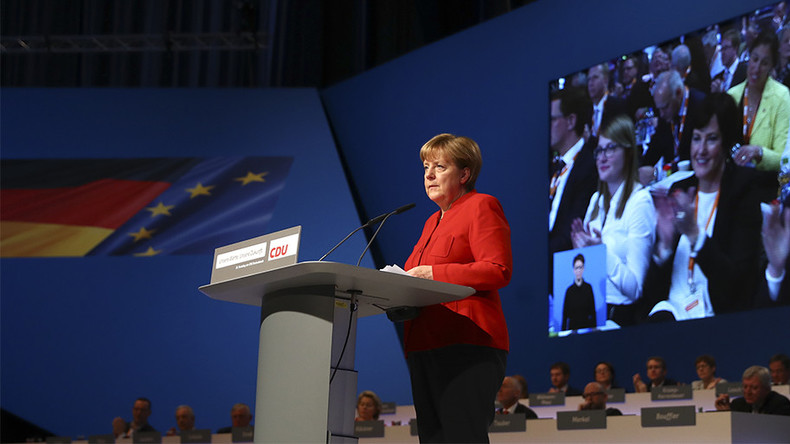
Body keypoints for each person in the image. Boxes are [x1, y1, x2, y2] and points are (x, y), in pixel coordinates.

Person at [403, 133, 512, 443]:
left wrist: (435, 273)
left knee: (462, 436)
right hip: (423, 344)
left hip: (467, 342)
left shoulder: (481, 206)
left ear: (465, 174)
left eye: (440, 166)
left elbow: (498, 270)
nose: (429, 174)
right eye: (426, 166)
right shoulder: (430, 222)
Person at [642, 93, 762, 322]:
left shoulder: (743, 190)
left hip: (715, 317)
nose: (701, 150)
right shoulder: (679, 190)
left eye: (712, 139)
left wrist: (695, 236)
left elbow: (736, 287)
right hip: (670, 313)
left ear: (726, 144)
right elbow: (651, 295)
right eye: (697, 138)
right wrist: (664, 248)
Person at [571, 116, 656, 326]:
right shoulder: (596, 201)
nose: (602, 157)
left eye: (610, 149)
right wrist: (579, 251)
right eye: (599, 150)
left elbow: (635, 289)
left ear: (628, 153)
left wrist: (601, 252)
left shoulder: (640, 202)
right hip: (590, 312)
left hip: (620, 319)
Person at [728, 30, 790, 194]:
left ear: (771, 66)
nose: (756, 68)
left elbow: (783, 158)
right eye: (754, 59)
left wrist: (759, 152)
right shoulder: (732, 95)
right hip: (733, 181)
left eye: (764, 63)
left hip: (765, 185)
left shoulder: (781, 96)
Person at [549, 87, 598, 255]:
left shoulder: (589, 168)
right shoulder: (555, 166)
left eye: (552, 119)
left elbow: (570, 235)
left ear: (570, 121)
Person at [640, 69, 706, 184]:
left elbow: (699, 155)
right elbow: (657, 144)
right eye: (659, 108)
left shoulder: (702, 106)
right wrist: (641, 169)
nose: (661, 114)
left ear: (679, 93)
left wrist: (657, 172)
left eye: (664, 107)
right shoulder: (665, 109)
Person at [714, 365, 790, 415]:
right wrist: (727, 413)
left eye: (754, 388)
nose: (748, 392)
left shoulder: (780, 404)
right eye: (745, 387)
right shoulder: (738, 404)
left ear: (767, 388)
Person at [588, 63, 627, 137]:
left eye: (595, 78)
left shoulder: (618, 105)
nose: (590, 83)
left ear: (605, 80)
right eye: (589, 79)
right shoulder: (587, 111)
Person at [561, 253, 596, 330]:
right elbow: (565, 314)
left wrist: (594, 330)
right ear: (573, 270)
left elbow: (593, 312)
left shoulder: (588, 288)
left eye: (580, 267)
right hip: (573, 329)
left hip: (586, 328)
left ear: (583, 269)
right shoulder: (569, 291)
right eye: (576, 268)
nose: (578, 270)